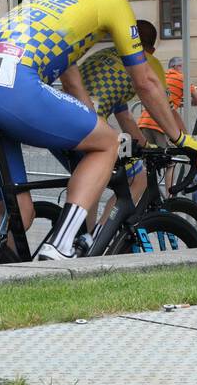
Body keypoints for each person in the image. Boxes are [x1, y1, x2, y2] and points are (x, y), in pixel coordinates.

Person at [0, 0, 197, 261]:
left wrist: (88, 126)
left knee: (20, 214)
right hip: (13, 89)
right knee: (107, 144)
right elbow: (145, 82)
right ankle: (63, 244)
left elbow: (72, 80)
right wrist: (182, 138)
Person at [66, 19, 170, 233]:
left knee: (92, 181)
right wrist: (167, 145)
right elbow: (164, 112)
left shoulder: (109, 54)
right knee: (138, 178)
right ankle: (101, 234)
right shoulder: (145, 62)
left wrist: (143, 146)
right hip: (87, 128)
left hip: (64, 120)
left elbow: (124, 117)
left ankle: (83, 238)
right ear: (151, 48)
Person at [137, 55, 197, 146]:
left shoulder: (160, 77)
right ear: (177, 66)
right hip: (161, 124)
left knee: (148, 156)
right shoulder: (182, 78)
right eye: (183, 66)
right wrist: (186, 103)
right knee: (163, 157)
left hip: (143, 122)